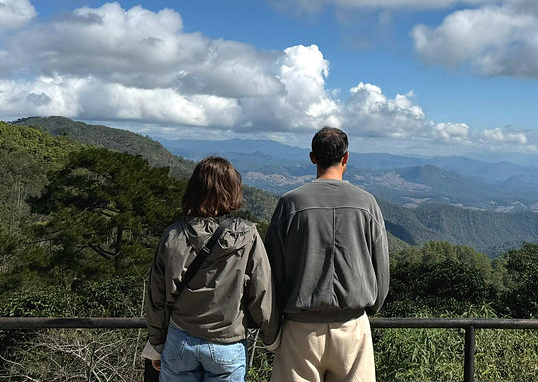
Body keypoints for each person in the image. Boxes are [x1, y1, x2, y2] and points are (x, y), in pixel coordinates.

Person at [264, 127, 390, 382]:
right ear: (346, 158)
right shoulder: (367, 203)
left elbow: (271, 270)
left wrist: (274, 327)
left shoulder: (290, 204)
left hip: (300, 329)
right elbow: (382, 268)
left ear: (312, 157)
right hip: (352, 326)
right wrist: (372, 306)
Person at [144, 156, 278, 382]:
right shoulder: (247, 236)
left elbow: (156, 296)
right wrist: (272, 338)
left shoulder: (173, 235)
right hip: (227, 343)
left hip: (180, 340)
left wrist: (156, 343)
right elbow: (261, 292)